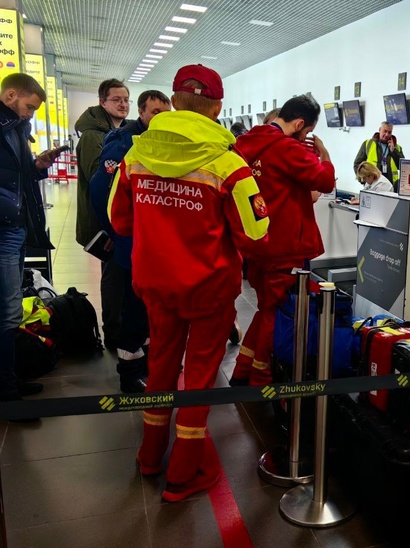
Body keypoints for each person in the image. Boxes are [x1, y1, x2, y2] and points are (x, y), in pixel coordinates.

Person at [109, 64, 269, 502]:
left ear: (175, 102)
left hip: (156, 284)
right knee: (198, 376)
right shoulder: (227, 163)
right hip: (209, 290)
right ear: (217, 107)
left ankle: (149, 458)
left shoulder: (134, 157)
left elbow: (119, 220)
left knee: (160, 367)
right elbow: (256, 234)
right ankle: (183, 473)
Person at [230, 95, 336, 387]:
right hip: (286, 246)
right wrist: (324, 155)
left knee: (266, 309)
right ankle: (261, 378)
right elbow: (325, 182)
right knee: (276, 313)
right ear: (300, 124)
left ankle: (242, 369)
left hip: (256, 244)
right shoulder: (287, 149)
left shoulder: (245, 144)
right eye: (308, 132)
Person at [89, 90, 171, 393]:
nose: (160, 118)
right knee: (134, 307)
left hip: (153, 242)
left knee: (150, 307)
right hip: (131, 239)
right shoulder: (124, 143)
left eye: (166, 112)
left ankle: (147, 360)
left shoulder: (161, 143)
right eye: (155, 112)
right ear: (142, 112)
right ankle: (129, 371)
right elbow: (101, 193)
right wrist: (116, 231)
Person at [0, 73, 61, 403]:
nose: (31, 114)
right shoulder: (5, 129)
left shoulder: (15, 131)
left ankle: (10, 379)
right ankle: (7, 389)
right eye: (29, 107)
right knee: (8, 311)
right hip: (5, 229)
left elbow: (19, 177)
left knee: (9, 310)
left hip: (17, 226)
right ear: (11, 96)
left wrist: (38, 165)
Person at [76, 78, 130, 350]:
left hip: (115, 219)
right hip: (105, 222)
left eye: (126, 100)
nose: (123, 104)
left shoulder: (116, 132)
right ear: (102, 102)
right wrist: (109, 227)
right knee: (114, 276)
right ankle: (113, 333)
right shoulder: (93, 136)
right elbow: (102, 181)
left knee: (119, 276)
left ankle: (117, 327)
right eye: (116, 99)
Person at [353, 121, 403, 190]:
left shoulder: (397, 148)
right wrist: (364, 180)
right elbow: (357, 164)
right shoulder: (368, 144)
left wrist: (393, 151)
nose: (386, 134)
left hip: (390, 186)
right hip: (372, 185)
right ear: (379, 130)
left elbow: (402, 167)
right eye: (385, 131)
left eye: (389, 132)